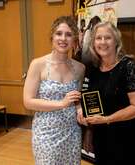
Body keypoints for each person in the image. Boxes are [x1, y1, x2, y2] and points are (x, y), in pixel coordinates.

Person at [79, 22, 135, 164]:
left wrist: (107, 119)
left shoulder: (128, 65)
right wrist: (87, 128)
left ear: (116, 41)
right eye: (98, 38)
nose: (103, 42)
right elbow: (91, 104)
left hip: (127, 139)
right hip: (102, 139)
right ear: (93, 43)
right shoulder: (93, 70)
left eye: (107, 38)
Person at [23, 16, 85, 165]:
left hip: (72, 132)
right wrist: (61, 103)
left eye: (69, 34)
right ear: (52, 36)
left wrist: (80, 110)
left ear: (74, 39)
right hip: (46, 133)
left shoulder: (80, 68)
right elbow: (28, 102)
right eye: (59, 33)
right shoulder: (38, 64)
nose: (63, 38)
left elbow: (76, 99)